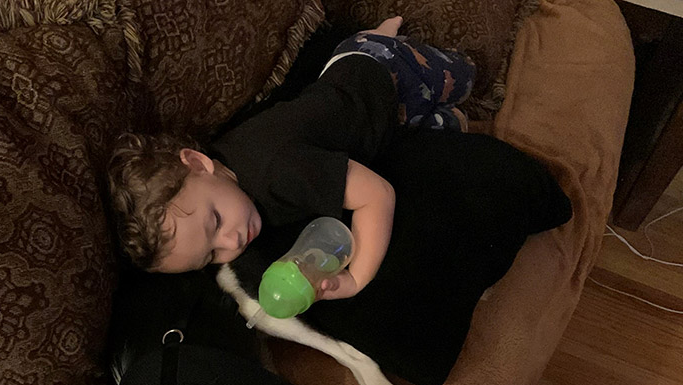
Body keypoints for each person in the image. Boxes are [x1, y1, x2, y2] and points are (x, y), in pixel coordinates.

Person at [108, 17, 475, 301]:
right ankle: (379, 38)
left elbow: (378, 195)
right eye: (211, 255)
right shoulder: (222, 177)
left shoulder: (279, 173)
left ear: (199, 163)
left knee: (466, 79)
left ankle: (385, 36)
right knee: (451, 124)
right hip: (363, 95)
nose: (233, 242)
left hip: (385, 75)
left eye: (216, 221)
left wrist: (357, 278)